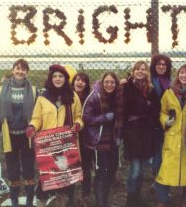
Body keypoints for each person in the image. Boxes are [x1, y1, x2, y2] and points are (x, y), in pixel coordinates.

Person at [26, 64, 83, 207]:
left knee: (66, 178)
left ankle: (64, 202)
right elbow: (37, 118)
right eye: (55, 76)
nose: (58, 79)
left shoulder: (73, 96)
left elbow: (79, 116)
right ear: (50, 79)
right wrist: (32, 127)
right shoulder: (42, 98)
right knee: (47, 177)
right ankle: (41, 201)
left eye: (61, 76)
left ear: (66, 78)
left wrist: (77, 125)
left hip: (67, 145)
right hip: (48, 145)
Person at [0, 59, 37, 207]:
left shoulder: (34, 91)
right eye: (17, 68)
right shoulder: (0, 93)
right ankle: (14, 201)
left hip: (27, 137)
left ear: (27, 72)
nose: (20, 71)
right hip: (9, 136)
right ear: (13, 70)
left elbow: (37, 116)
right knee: (13, 170)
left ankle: (30, 200)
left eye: (23, 69)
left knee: (29, 168)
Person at [155, 65, 186, 207]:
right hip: (172, 137)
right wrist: (166, 121)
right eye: (181, 73)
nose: (184, 76)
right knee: (165, 170)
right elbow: (162, 111)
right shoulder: (169, 92)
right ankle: (163, 200)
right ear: (178, 75)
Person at [82, 71, 123, 207]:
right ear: (102, 82)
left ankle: (104, 198)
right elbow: (86, 119)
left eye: (112, 82)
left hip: (113, 139)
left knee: (113, 168)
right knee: (103, 170)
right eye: (107, 82)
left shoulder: (118, 97)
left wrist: (118, 136)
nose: (109, 85)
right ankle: (101, 202)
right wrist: (104, 118)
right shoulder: (94, 97)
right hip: (98, 140)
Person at [123, 60, 161, 207]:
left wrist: (146, 108)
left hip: (146, 133)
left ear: (147, 72)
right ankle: (130, 199)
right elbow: (126, 108)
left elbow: (156, 108)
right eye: (137, 69)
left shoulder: (150, 89)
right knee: (135, 170)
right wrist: (145, 105)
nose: (140, 71)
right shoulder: (127, 86)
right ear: (133, 71)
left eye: (143, 69)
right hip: (132, 133)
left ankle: (137, 196)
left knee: (143, 171)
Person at [71, 72, 93, 205]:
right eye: (77, 80)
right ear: (73, 82)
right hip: (70, 135)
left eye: (83, 81)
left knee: (85, 166)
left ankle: (86, 195)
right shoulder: (66, 96)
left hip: (85, 136)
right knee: (70, 165)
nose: (80, 83)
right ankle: (69, 195)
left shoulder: (89, 98)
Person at [149, 54, 172, 175]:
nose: (161, 66)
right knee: (157, 149)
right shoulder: (150, 80)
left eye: (164, 64)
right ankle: (157, 175)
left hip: (167, 119)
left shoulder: (170, 81)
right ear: (154, 66)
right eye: (159, 64)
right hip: (153, 120)